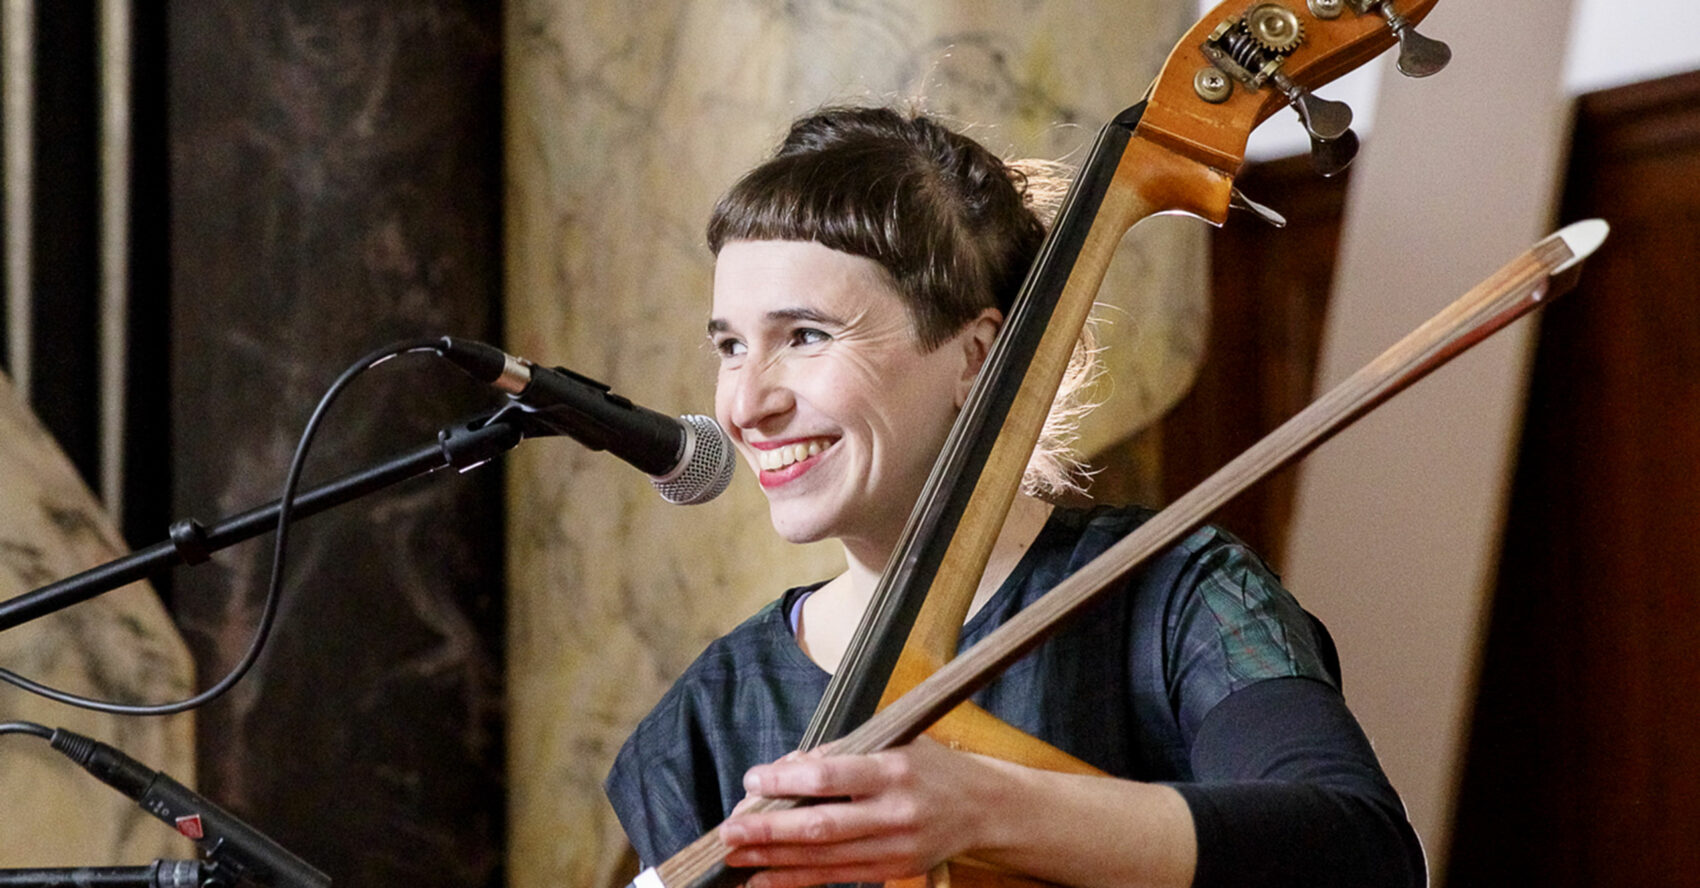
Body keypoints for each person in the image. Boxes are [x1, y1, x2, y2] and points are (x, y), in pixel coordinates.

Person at [604, 106, 1425, 888]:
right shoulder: (708, 719)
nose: (747, 405)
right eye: (731, 347)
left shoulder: (1171, 597)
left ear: (974, 356)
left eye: (807, 335)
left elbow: (1358, 855)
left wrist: (985, 806)